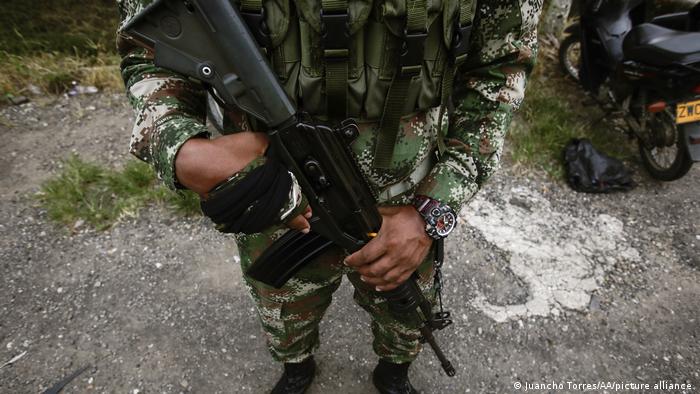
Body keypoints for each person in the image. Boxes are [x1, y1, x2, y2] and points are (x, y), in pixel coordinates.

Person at [116, 0, 541, 392]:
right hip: (274, 187)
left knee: (404, 309)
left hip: (410, 196)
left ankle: (394, 371)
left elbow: (499, 70)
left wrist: (436, 204)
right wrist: (178, 147)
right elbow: (149, 45)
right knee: (283, 305)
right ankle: (296, 365)